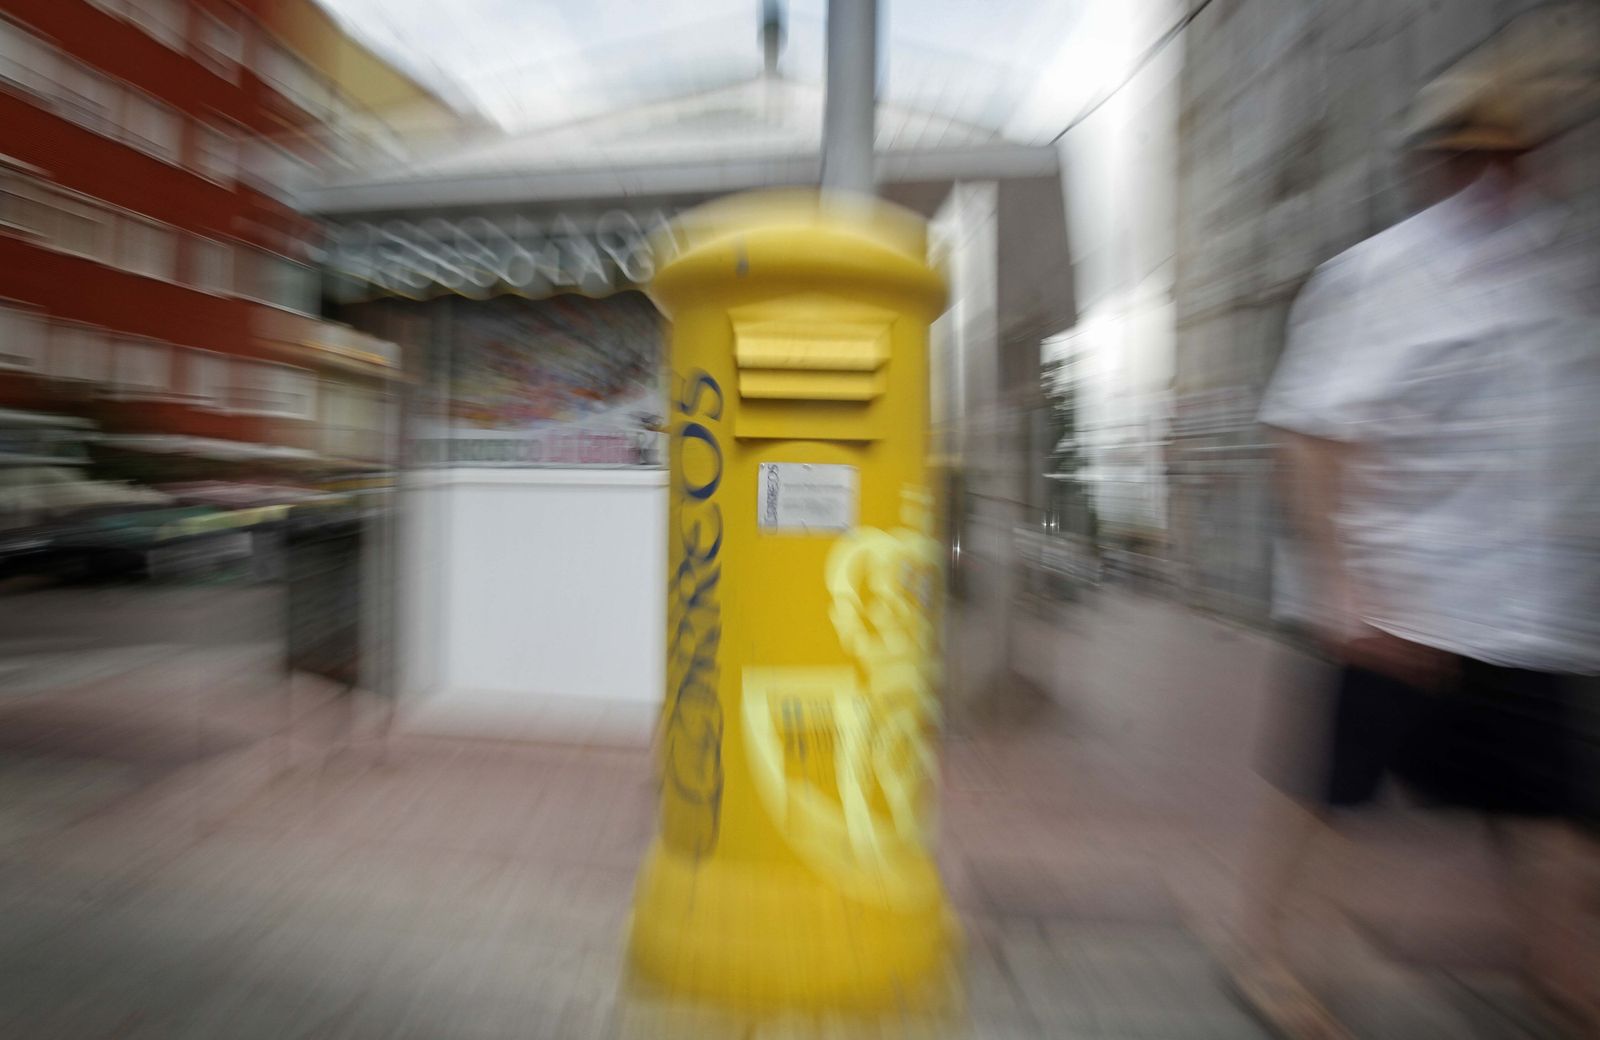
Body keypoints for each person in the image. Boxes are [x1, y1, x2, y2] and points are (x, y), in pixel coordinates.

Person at [1232, 52, 1600, 1040]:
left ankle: (1565, 977)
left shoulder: (1551, 276)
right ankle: (1264, 955)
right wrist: (1346, 587)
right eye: (1472, 155)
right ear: (1435, 165)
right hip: (1404, 607)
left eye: (1512, 154)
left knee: (1545, 809)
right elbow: (1308, 433)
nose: (1495, 175)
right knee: (1330, 796)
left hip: (1528, 614)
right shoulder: (1384, 276)